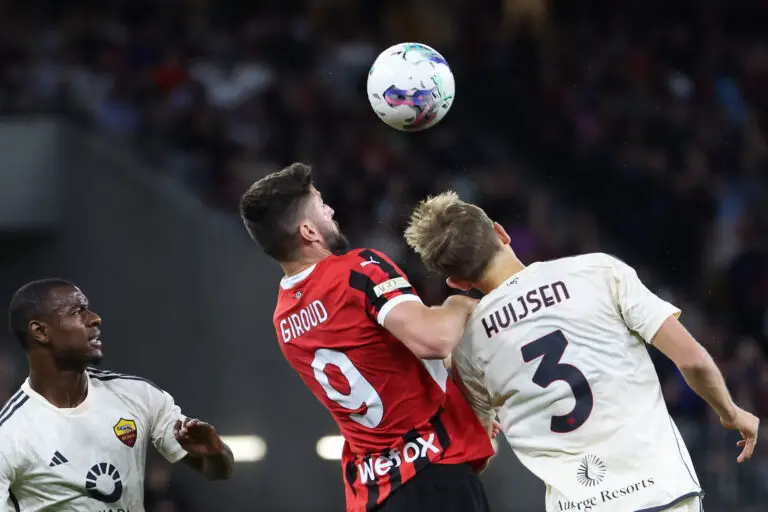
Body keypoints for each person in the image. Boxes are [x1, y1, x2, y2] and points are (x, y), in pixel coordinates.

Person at [403, 191, 760, 512]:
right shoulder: (598, 271)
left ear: (458, 283)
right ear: (501, 232)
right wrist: (730, 412)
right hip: (661, 494)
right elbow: (691, 359)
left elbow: (478, 448)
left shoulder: (468, 345)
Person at [239, 163, 495, 512]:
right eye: (321, 204)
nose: (330, 210)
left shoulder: (284, 319)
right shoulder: (357, 270)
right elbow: (433, 341)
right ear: (309, 231)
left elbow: (383, 363)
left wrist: (465, 404)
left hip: (374, 490)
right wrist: (460, 302)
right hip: (433, 474)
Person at [1, 279, 233, 511]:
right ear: (40, 331)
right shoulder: (9, 435)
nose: (94, 318)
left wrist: (215, 452)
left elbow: (217, 470)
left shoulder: (138, 396)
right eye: (77, 311)